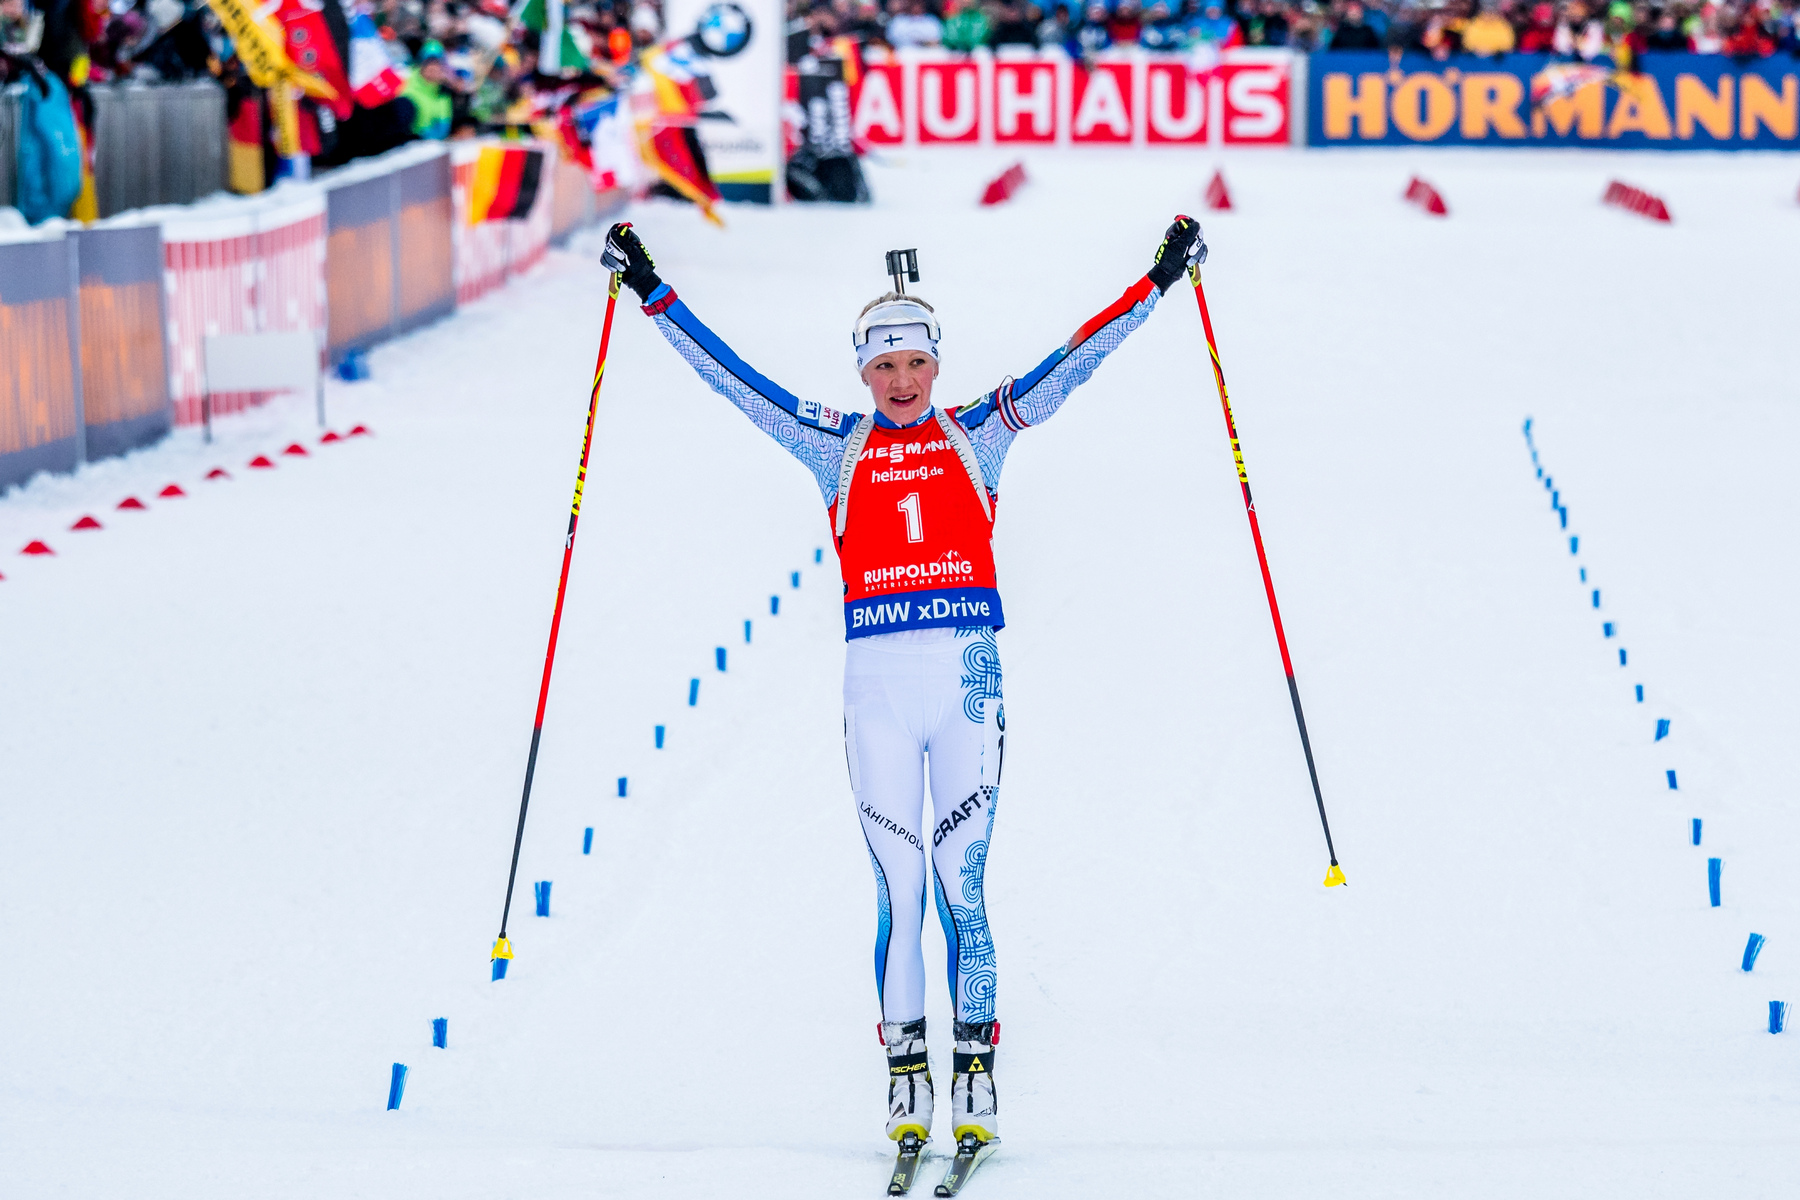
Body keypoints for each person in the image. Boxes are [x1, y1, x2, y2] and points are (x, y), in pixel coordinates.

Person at [598, 215, 1208, 1155]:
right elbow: (735, 380)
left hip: (966, 683)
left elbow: (1073, 358)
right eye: (883, 368)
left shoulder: (979, 435)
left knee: (964, 887)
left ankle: (976, 1072)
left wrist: (1159, 281)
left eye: (914, 364)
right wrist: (651, 292)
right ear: (863, 374)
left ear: (935, 364)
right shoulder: (834, 447)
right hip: (877, 693)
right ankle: (905, 1078)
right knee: (899, 889)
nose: (902, 383)